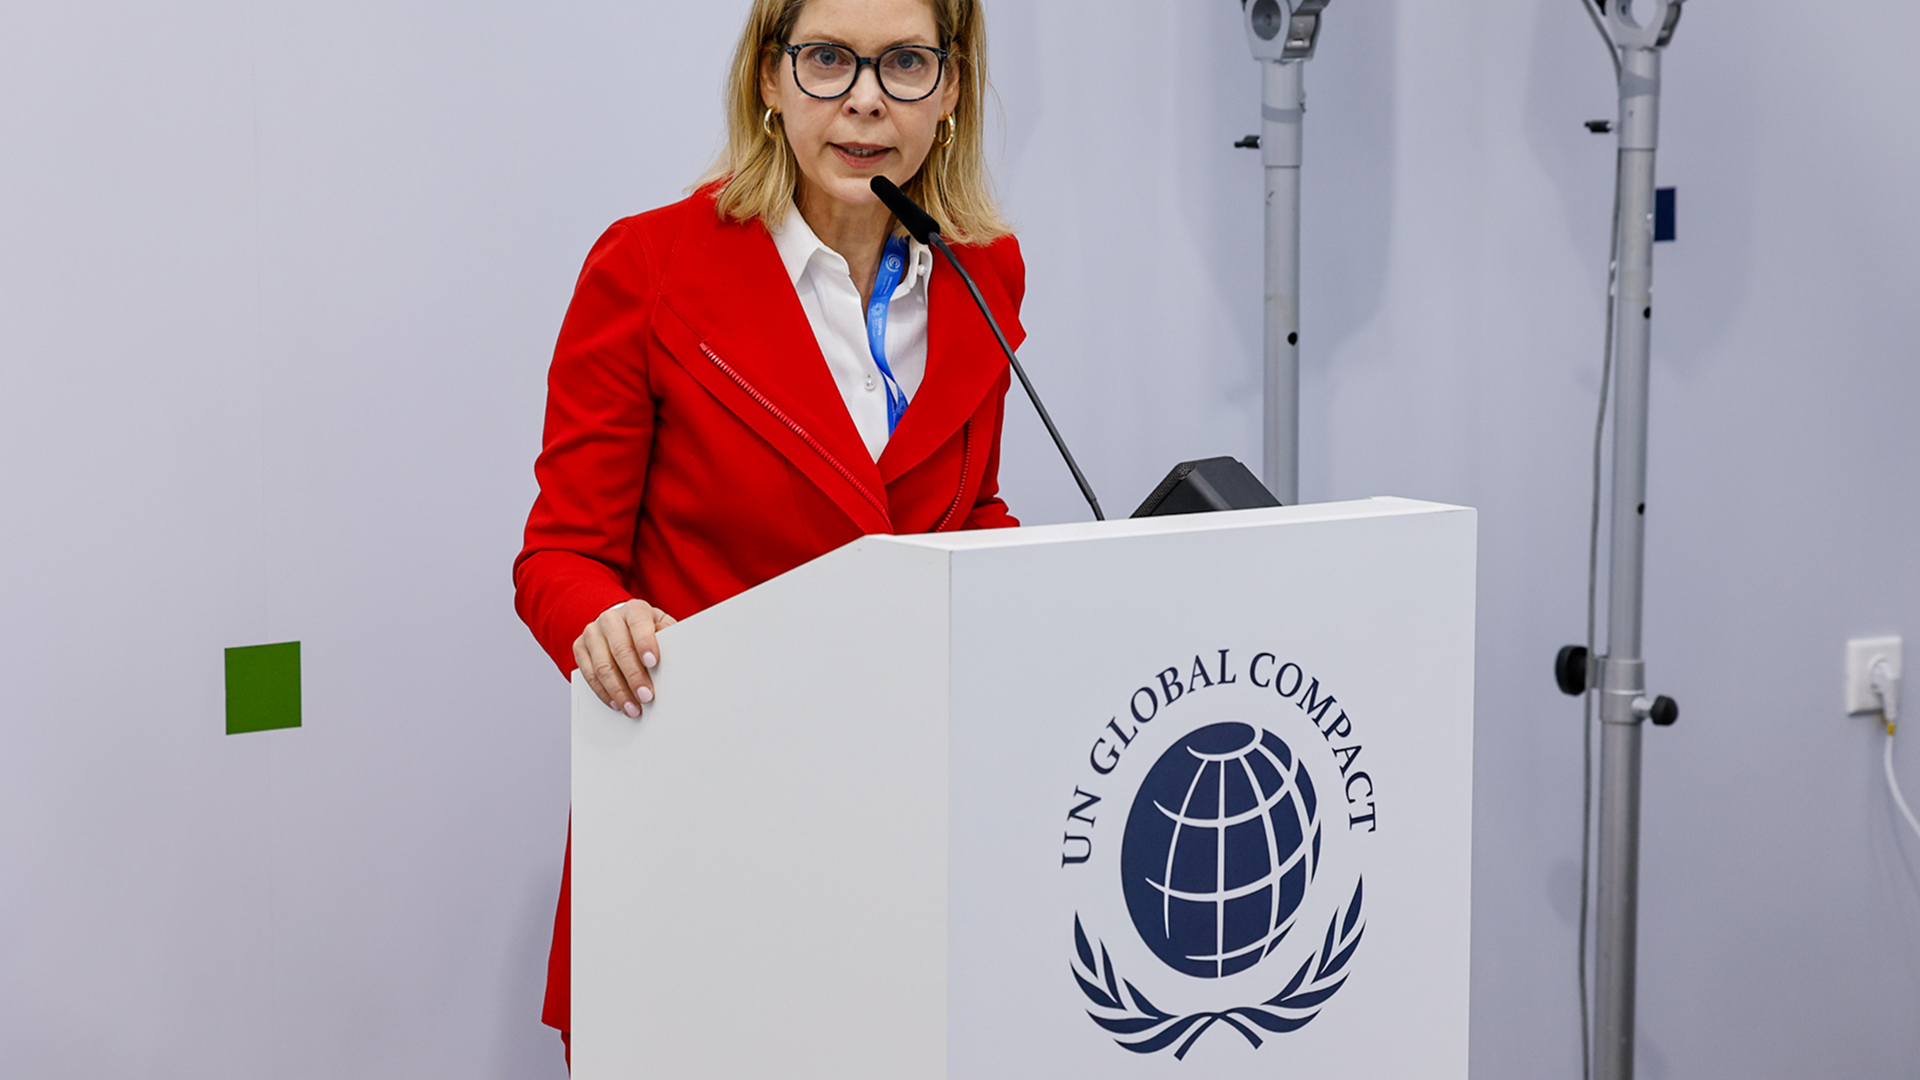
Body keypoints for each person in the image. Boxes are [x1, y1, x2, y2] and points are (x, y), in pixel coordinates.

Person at [511, 0, 1023, 1059]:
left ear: (952, 89)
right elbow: (561, 555)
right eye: (828, 59)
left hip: (904, 819)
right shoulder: (650, 265)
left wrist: (1042, 583)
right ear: (769, 79)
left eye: (906, 63)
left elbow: (965, 508)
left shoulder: (985, 270)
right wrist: (601, 620)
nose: (866, 100)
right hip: (707, 812)